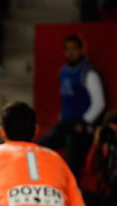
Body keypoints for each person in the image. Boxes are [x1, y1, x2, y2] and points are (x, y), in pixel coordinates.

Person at [38, 35, 105, 181]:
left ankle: (73, 190)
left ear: (81, 50)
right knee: (39, 146)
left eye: (74, 49)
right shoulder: (63, 72)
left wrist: (84, 122)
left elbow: (99, 103)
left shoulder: (89, 73)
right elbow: (67, 101)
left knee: (72, 147)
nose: (70, 53)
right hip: (66, 124)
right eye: (67, 49)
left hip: (82, 128)